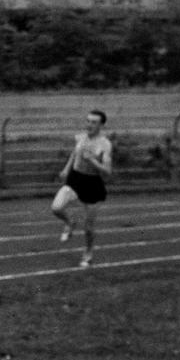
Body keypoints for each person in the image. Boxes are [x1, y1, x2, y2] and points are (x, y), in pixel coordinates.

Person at [51, 108, 113, 267]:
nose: (89, 124)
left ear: (101, 125)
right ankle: (70, 223)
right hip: (75, 178)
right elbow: (74, 153)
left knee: (88, 227)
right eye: (88, 121)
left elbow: (107, 172)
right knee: (56, 207)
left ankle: (88, 253)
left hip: (93, 184)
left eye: (94, 122)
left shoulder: (105, 145)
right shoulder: (80, 137)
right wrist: (66, 169)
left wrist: (92, 161)